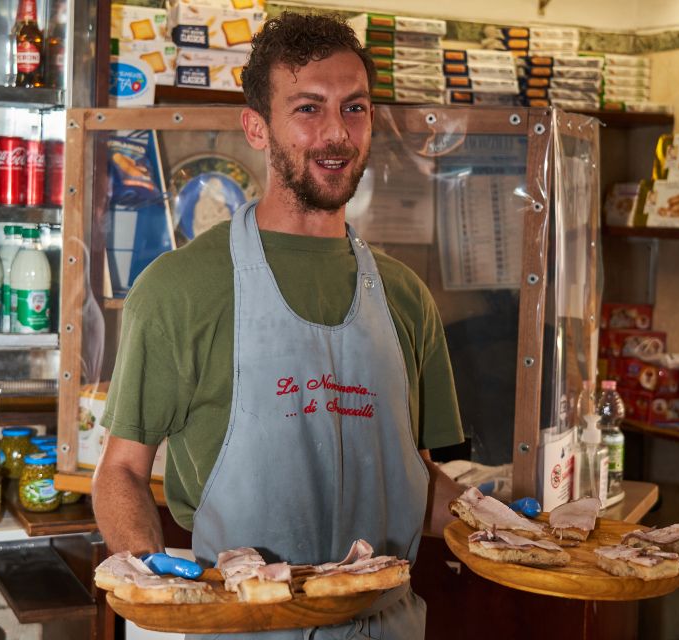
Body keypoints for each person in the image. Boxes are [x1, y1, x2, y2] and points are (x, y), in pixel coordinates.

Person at [92, 11, 465, 640]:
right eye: (308, 109)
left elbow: (413, 479)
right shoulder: (180, 288)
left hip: (389, 627)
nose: (336, 134)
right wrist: (146, 575)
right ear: (257, 128)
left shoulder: (406, 298)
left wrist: (501, 526)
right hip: (242, 628)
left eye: (354, 108)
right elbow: (122, 471)